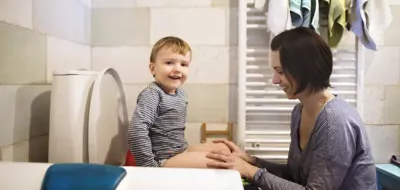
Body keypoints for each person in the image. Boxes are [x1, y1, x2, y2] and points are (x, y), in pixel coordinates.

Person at [205, 27, 377, 189]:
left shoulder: (335, 121)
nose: (274, 80)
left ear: (304, 69)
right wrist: (251, 161)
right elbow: (294, 176)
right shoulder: (299, 112)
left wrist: (251, 171)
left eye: (280, 71)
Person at [127, 36, 231, 168]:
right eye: (169, 63)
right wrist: (149, 167)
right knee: (220, 162)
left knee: (224, 149)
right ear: (153, 69)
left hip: (180, 150)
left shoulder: (181, 94)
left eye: (183, 64)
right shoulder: (153, 94)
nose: (177, 69)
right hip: (163, 158)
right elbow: (137, 130)